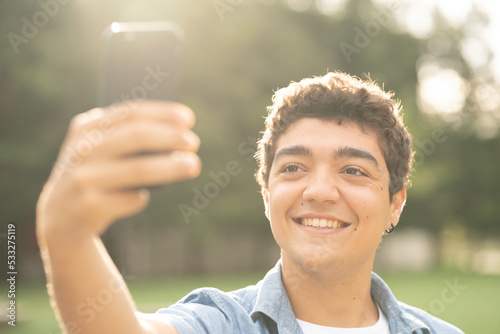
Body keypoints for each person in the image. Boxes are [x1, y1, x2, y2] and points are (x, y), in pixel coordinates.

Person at [37, 71, 464, 333]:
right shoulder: (220, 322)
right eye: (294, 168)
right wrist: (66, 236)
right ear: (267, 194)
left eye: (352, 170)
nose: (317, 191)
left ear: (395, 203)